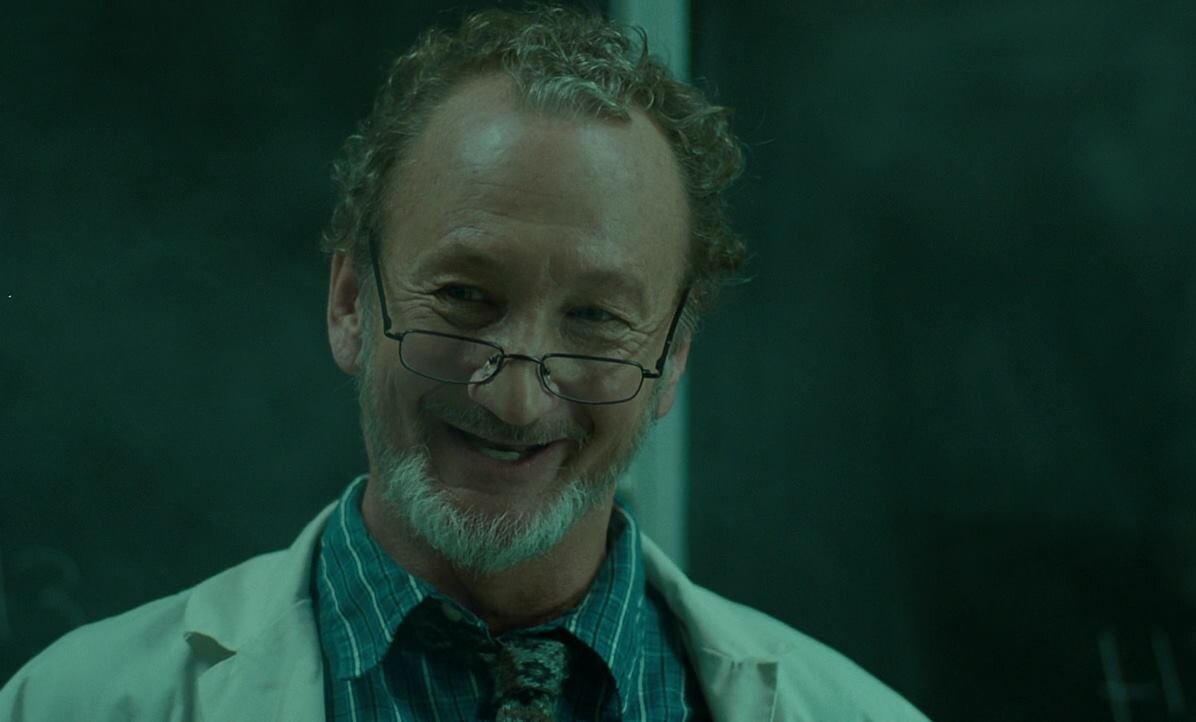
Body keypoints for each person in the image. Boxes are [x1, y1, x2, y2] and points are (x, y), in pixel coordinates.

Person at [0, 6, 929, 721]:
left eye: (596, 318)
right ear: (350, 305)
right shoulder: (76, 704)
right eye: (465, 297)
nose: (518, 399)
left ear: (674, 355)